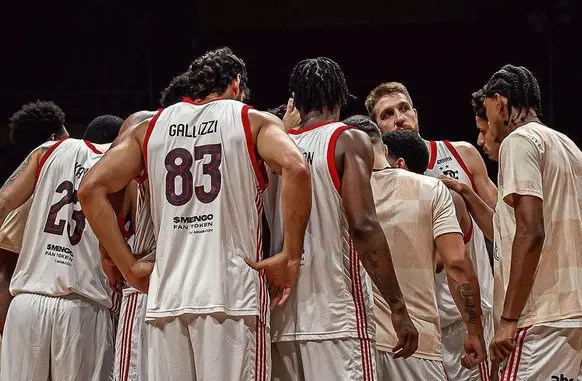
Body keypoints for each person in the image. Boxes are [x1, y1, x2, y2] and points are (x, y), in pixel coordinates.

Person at [78, 47, 312, 381]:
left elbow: (90, 189)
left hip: (167, 297)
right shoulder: (250, 119)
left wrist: (128, 267)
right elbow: (296, 167)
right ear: (235, 85)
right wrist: (291, 255)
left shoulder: (150, 128)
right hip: (231, 295)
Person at [268, 58, 417, 381]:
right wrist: (398, 306)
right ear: (339, 98)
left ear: (297, 99)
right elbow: (363, 226)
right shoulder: (347, 139)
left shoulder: (271, 146)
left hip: (279, 319)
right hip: (337, 317)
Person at [367, 83, 496, 380]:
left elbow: (504, 228)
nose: (399, 118)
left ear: (416, 114)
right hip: (415, 325)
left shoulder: (460, 153)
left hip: (470, 317)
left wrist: (467, 195)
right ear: (377, 129)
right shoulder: (371, 183)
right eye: (387, 114)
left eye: (403, 108)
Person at [0, 118, 122, 380]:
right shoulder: (122, 169)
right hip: (82, 307)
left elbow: (3, 202)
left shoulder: (48, 151)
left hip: (26, 305)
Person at [482, 64, 582, 380]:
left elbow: (531, 231)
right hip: (572, 314)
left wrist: (509, 318)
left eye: (488, 111)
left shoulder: (519, 141)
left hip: (538, 316)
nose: (490, 125)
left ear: (499, 102)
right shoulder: (569, 146)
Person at [111, 71, 194, 381]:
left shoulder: (145, 129)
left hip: (154, 280)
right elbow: (101, 190)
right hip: (171, 282)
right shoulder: (147, 126)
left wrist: (114, 258)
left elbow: (101, 191)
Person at [0, 101, 69, 338]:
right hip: (32, 304)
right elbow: (5, 274)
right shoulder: (25, 199)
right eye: (65, 132)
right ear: (52, 138)